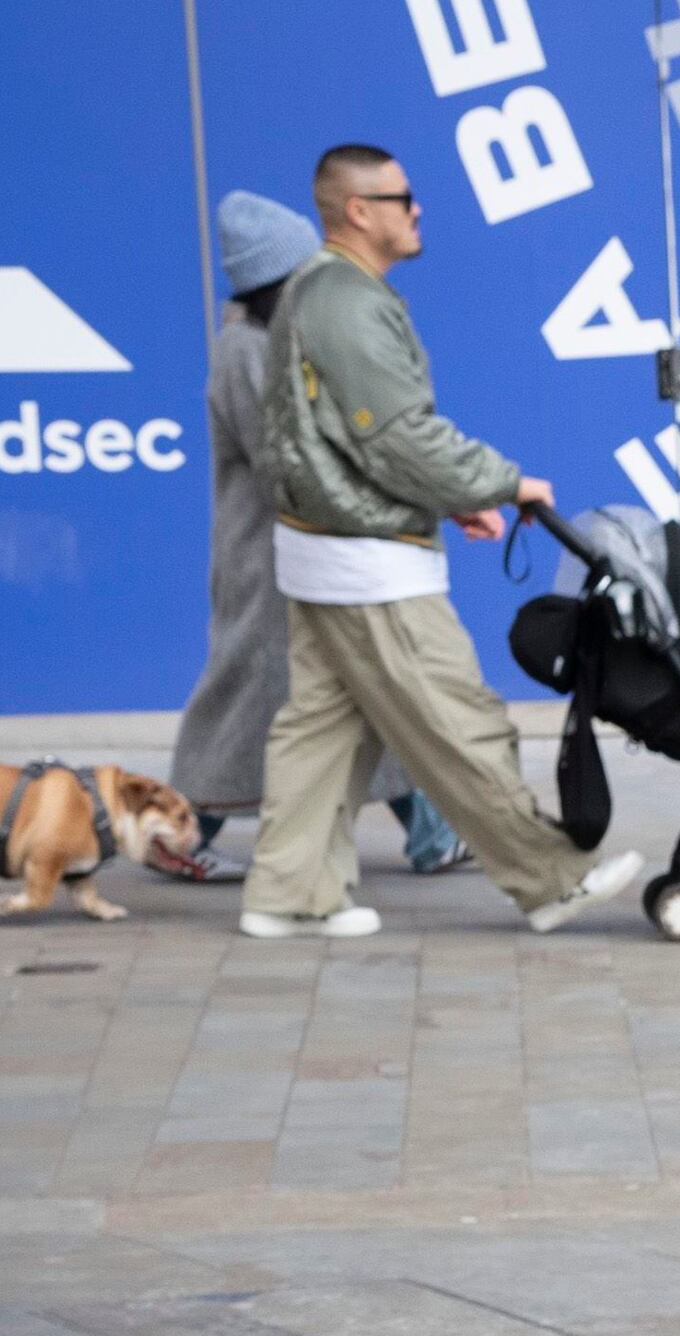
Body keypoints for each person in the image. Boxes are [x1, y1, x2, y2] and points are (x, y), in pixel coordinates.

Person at [246, 144, 643, 940]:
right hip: (370, 563)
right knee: (456, 721)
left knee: (320, 729)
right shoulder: (349, 303)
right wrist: (500, 482)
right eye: (403, 196)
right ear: (359, 211)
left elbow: (354, 437)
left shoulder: (313, 291)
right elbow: (399, 437)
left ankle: (287, 892)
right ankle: (549, 879)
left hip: (324, 546)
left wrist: (447, 499)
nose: (418, 208)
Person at [170, 192, 455, 887]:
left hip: (326, 543)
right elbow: (282, 462)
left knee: (368, 684)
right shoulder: (244, 351)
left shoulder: (292, 339)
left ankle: (434, 828)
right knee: (246, 689)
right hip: (269, 558)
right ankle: (178, 826)